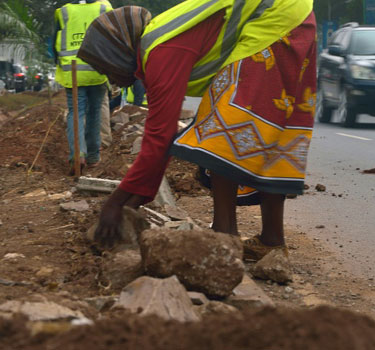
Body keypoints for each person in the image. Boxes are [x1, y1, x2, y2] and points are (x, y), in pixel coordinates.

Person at [78, 1, 316, 261]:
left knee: (221, 133)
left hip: (276, 17)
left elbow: (160, 137)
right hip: (293, 17)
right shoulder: (160, 43)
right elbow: (160, 140)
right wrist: (131, 204)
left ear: (116, 53)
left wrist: (114, 204)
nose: (110, 80)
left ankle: (225, 238)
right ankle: (271, 241)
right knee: (267, 129)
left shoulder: (162, 49)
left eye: (105, 68)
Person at [54, 0, 112, 174]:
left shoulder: (63, 12)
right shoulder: (105, 8)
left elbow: (53, 45)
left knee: (76, 112)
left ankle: (77, 155)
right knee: (94, 112)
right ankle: (93, 157)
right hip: (98, 70)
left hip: (73, 72)